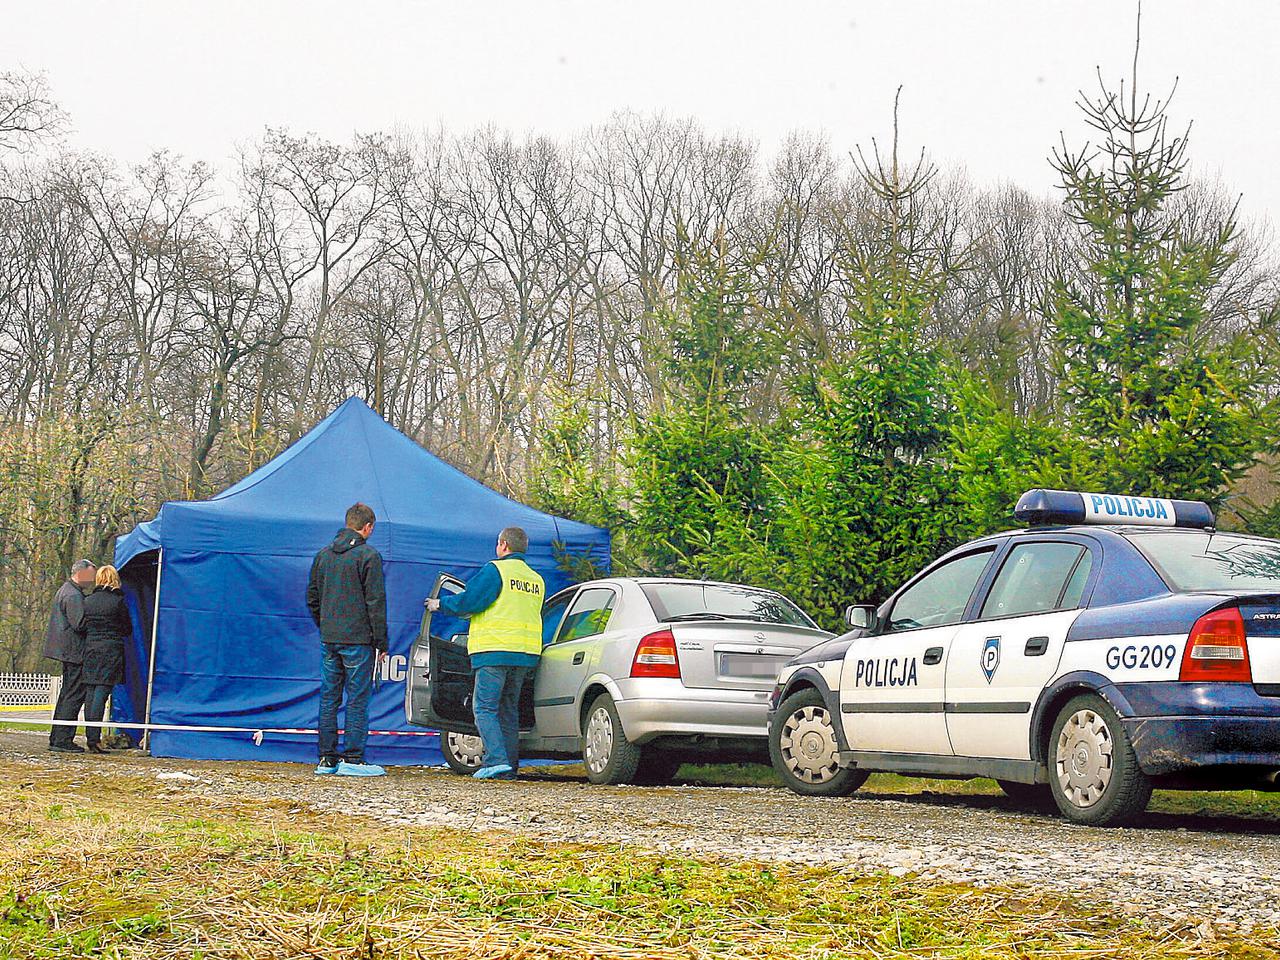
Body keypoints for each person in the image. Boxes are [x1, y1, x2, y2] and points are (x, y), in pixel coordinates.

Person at [427, 526, 545, 780]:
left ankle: (495, 760)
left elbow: (470, 601)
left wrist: (440, 604)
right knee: (508, 710)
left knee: (485, 708)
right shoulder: (536, 579)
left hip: (494, 650)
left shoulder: (496, 570)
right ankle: (508, 768)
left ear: (503, 544)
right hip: (525, 653)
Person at [307, 502, 388, 777]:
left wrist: (326, 625)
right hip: (359, 640)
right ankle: (353, 757)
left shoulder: (323, 555)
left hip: (329, 638)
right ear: (368, 527)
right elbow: (375, 602)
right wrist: (381, 642)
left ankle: (326, 759)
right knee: (357, 698)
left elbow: (312, 597)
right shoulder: (368, 556)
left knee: (329, 697)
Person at [44, 559, 96, 753]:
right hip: (74, 651)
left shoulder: (66, 591)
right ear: (81, 573)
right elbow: (80, 624)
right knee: (73, 695)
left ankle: (58, 737)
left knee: (67, 694)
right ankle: (63, 739)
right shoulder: (73, 595)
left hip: (68, 650)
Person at [81, 563, 132, 754]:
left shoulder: (88, 601)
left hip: (91, 649)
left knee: (91, 693)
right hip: (110, 649)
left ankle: (91, 737)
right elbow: (127, 628)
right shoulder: (118, 602)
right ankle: (94, 740)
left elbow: (84, 626)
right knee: (101, 694)